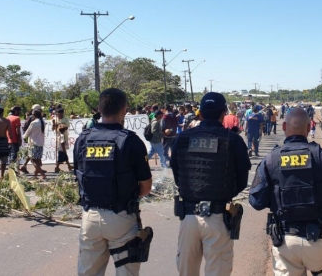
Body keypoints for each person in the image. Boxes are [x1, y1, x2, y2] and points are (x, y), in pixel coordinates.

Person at [249, 107, 322, 275]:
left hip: (285, 243)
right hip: (319, 241)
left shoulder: (271, 159)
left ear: (283, 127)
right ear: (310, 126)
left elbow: (256, 202)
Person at [170, 92, 251, 276]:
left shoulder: (182, 139)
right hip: (218, 217)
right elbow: (241, 181)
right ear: (224, 113)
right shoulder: (233, 140)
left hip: (188, 217)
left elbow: (177, 175)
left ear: (200, 114)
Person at [73, 88, 153, 275]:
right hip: (122, 218)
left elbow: (78, 175)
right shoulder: (131, 141)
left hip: (89, 217)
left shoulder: (83, 139)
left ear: (99, 109)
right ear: (124, 109)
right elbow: (146, 186)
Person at [23, 109, 47, 179]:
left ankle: (43, 175)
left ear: (35, 115)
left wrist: (23, 137)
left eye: (32, 114)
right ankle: (35, 175)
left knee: (33, 160)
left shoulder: (34, 123)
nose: (31, 116)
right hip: (40, 143)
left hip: (34, 144)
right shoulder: (42, 122)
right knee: (37, 160)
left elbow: (27, 132)